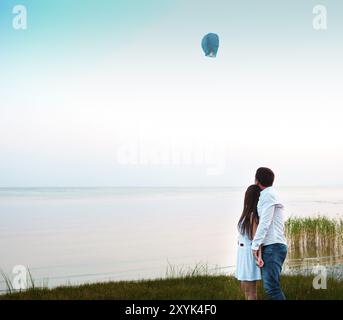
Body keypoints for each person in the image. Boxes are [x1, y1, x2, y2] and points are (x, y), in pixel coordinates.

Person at [251, 167, 288, 300]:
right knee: (272, 287)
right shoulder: (271, 194)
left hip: (273, 247)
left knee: (272, 289)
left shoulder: (267, 195)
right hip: (275, 245)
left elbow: (265, 222)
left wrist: (254, 246)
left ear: (257, 181)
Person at [235, 185, 264, 300]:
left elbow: (256, 239)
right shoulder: (247, 214)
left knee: (251, 292)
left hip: (248, 255)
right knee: (245, 289)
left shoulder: (253, 216)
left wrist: (259, 256)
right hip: (242, 253)